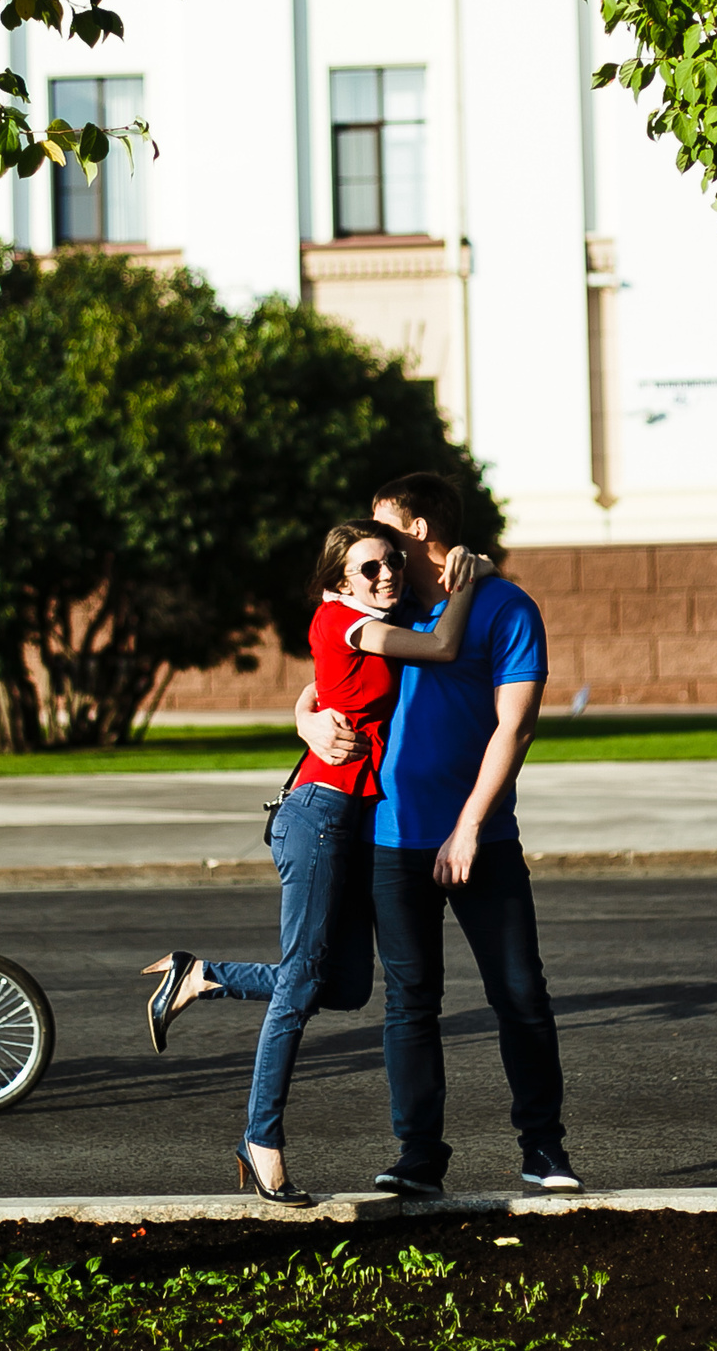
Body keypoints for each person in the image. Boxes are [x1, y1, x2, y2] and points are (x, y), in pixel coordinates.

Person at [140, 522, 492, 1205]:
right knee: (301, 984)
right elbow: (443, 645)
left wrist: (307, 713)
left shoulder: (352, 624)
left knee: (347, 986)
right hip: (320, 816)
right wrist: (469, 583)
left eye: (392, 563)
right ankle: (261, 1140)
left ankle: (202, 975)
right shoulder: (346, 620)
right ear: (338, 583)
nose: (387, 576)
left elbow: (319, 690)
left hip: (351, 822)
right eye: (370, 570)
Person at [298, 472, 578, 1196]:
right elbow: (324, 683)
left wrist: (469, 828)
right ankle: (419, 1156)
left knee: (520, 993)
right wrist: (307, 720)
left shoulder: (503, 606)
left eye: (385, 526)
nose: (376, 541)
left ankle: (544, 1150)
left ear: (418, 529)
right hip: (389, 835)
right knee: (409, 1002)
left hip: (481, 839)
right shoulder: (380, 605)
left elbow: (515, 728)